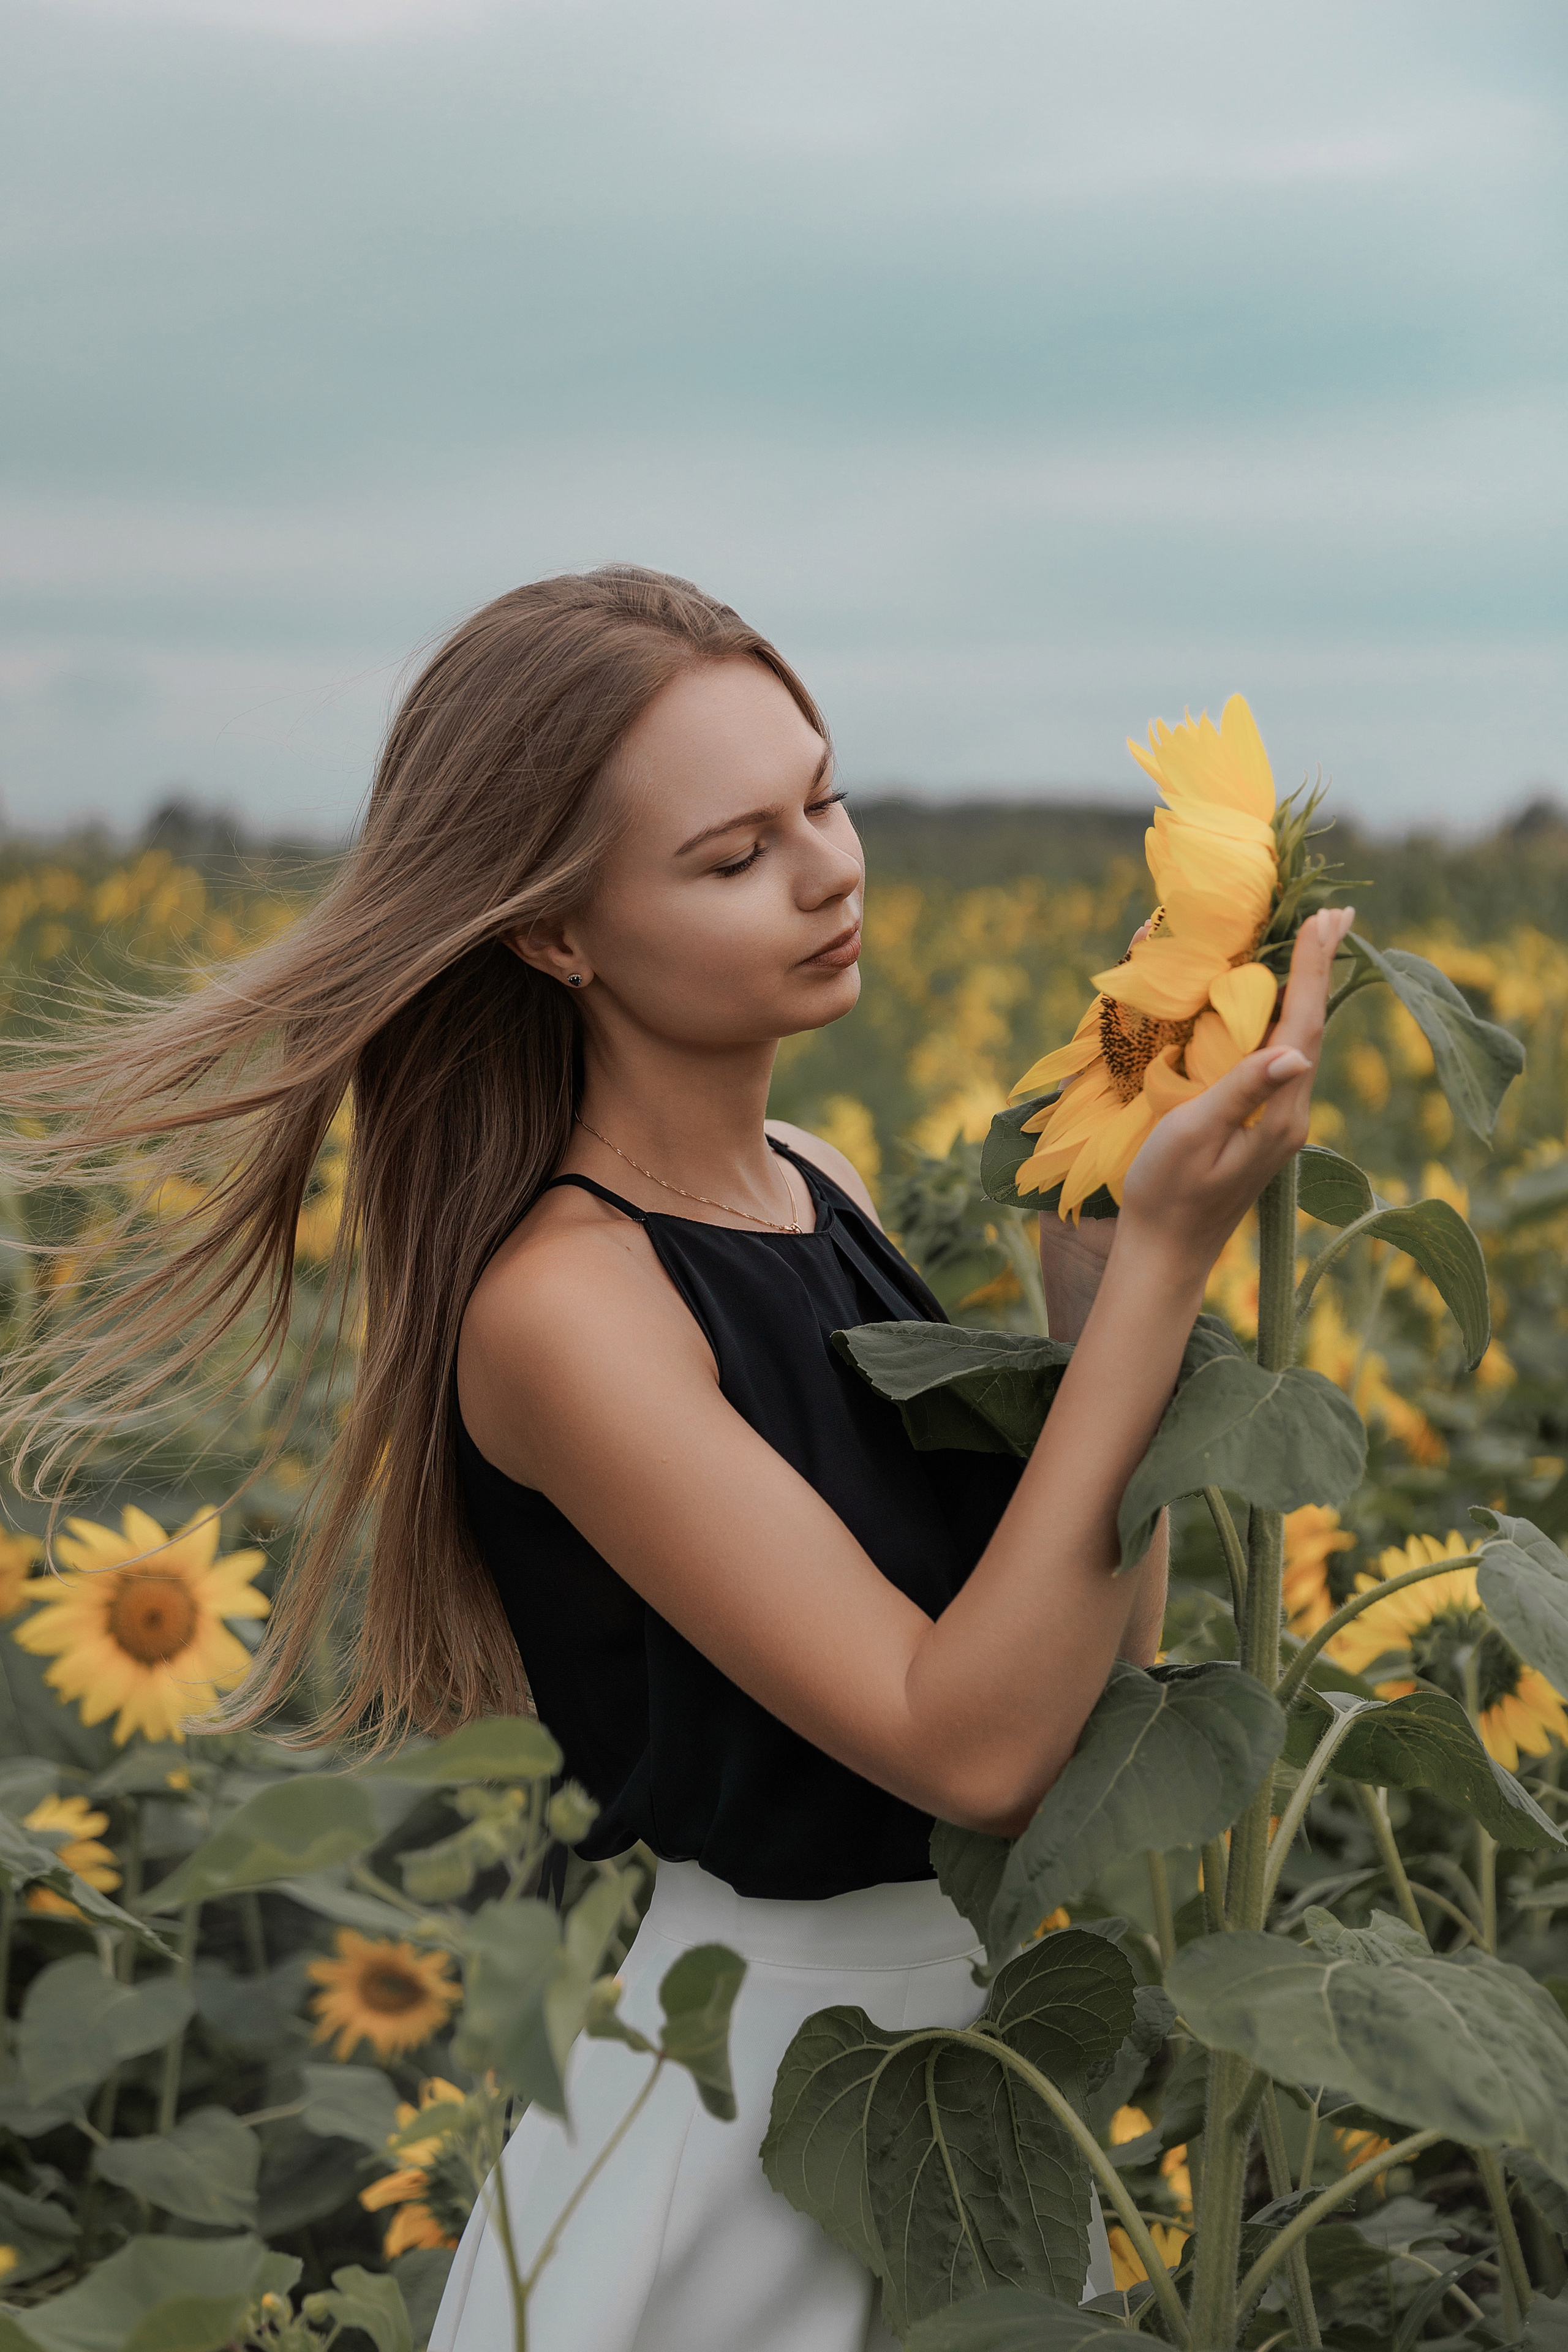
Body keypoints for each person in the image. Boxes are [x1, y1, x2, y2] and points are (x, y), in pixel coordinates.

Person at [1, 567, 1349, 2352]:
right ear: (556, 933)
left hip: (971, 2082)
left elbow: (1086, 1681)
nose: (829, 868)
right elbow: (978, 1752)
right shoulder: (565, 1308)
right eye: (732, 857)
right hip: (746, 2119)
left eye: (825, 795)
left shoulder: (827, 1189)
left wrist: (1104, 1303)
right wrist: (1173, 1265)